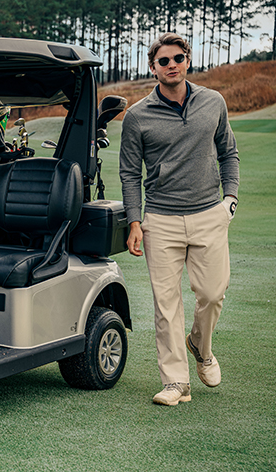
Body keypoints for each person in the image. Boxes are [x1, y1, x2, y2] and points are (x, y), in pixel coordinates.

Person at [118, 33, 240, 406]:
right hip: (161, 219)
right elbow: (128, 173)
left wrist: (230, 200)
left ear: (188, 61)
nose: (171, 65)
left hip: (208, 213)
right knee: (165, 303)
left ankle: (200, 348)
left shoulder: (213, 102)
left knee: (212, 293)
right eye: (163, 61)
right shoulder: (138, 116)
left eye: (178, 58)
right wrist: (135, 221)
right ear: (152, 68)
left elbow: (228, 152)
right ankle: (176, 382)